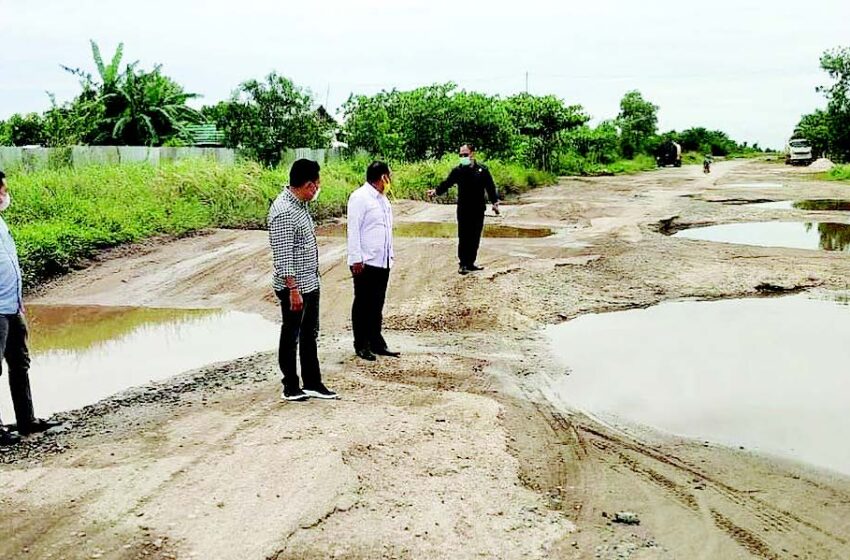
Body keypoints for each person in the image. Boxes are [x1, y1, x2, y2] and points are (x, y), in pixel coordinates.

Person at [268, 160, 338, 401]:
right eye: (316, 185)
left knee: (310, 334)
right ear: (308, 185)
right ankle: (290, 386)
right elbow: (283, 256)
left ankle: (313, 382)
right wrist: (293, 289)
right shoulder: (284, 211)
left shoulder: (300, 206)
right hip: (294, 287)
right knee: (292, 335)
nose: (318, 189)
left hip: (310, 282)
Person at [0, 170, 60, 446]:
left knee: (20, 364)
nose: (5, 195)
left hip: (12, 307)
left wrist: (19, 303)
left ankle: (27, 420)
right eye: (2, 191)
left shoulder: (1, 223)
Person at [347, 161, 401, 362]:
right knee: (363, 303)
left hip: (383, 260)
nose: (391, 180)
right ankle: (361, 344)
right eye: (389, 176)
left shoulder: (383, 200)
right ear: (383, 177)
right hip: (365, 261)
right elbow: (353, 230)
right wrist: (356, 258)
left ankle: (376, 341)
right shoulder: (360, 198)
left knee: (377, 304)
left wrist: (390, 255)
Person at [427, 144, 500, 275]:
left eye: (465, 155)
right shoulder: (458, 171)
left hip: (478, 209)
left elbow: (490, 187)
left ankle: (471, 263)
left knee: (475, 236)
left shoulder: (482, 170)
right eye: (461, 155)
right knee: (464, 236)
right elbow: (447, 183)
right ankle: (463, 264)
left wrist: (495, 202)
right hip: (463, 209)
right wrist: (436, 191)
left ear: (472, 154)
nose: (463, 157)